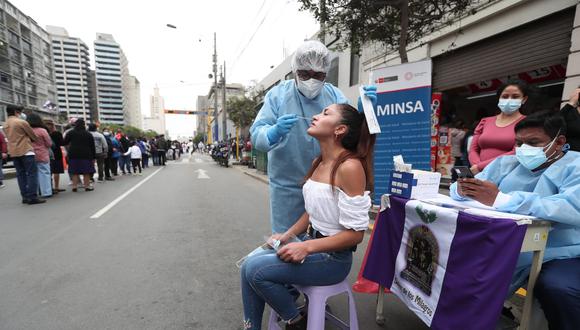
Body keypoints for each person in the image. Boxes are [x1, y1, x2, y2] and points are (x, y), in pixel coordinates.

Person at [241, 103, 375, 329]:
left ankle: (295, 320)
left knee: (256, 271)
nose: (315, 116)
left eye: (325, 113)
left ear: (339, 130)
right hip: (310, 243)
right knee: (247, 265)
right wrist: (288, 235)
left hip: (333, 259)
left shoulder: (350, 167)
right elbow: (311, 213)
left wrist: (306, 248)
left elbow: (355, 235)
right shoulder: (318, 162)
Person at [450, 111, 580, 330]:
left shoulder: (575, 166)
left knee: (559, 288)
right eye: (519, 143)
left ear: (559, 142)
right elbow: (460, 188)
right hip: (502, 243)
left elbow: (571, 207)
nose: (524, 149)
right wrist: (465, 189)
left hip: (559, 250)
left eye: (533, 142)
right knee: (453, 261)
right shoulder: (506, 164)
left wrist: (503, 199)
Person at [250, 40, 376, 234]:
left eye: (318, 75)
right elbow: (257, 132)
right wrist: (273, 132)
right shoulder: (278, 96)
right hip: (287, 186)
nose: (311, 80)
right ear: (294, 71)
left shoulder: (334, 95)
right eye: (305, 74)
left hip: (326, 186)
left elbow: (351, 131)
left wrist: (363, 114)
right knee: (288, 240)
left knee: (324, 237)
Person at [468, 80, 528, 175]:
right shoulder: (485, 121)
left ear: (524, 99)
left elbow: (516, 152)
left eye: (515, 96)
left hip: (506, 174)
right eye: (505, 96)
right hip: (479, 174)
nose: (509, 99)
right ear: (499, 98)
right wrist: (477, 167)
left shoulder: (527, 123)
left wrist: (481, 166)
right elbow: (473, 149)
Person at [3, 106, 44, 204]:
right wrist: (35, 140)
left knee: (20, 175)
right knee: (32, 174)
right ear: (16, 112)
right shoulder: (21, 122)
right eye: (20, 112)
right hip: (26, 150)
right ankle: (32, 196)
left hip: (13, 152)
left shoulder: (5, 124)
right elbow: (33, 135)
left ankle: (25, 196)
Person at [63, 119, 96, 192]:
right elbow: (92, 146)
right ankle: (87, 186)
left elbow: (65, 142)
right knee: (86, 171)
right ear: (84, 125)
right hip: (86, 154)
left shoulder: (71, 133)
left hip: (73, 154)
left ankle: (74, 186)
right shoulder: (88, 134)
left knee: (74, 171)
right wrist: (94, 157)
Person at [27, 113, 53, 198]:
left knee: (32, 174)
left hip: (29, 154)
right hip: (42, 154)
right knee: (45, 173)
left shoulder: (27, 130)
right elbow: (49, 143)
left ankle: (35, 192)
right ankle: (46, 192)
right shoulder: (42, 130)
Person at [45, 120, 66, 193]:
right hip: (56, 153)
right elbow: (62, 143)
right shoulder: (57, 133)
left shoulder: (44, 133)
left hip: (46, 153)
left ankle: (48, 187)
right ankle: (56, 187)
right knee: (56, 171)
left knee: (48, 172)